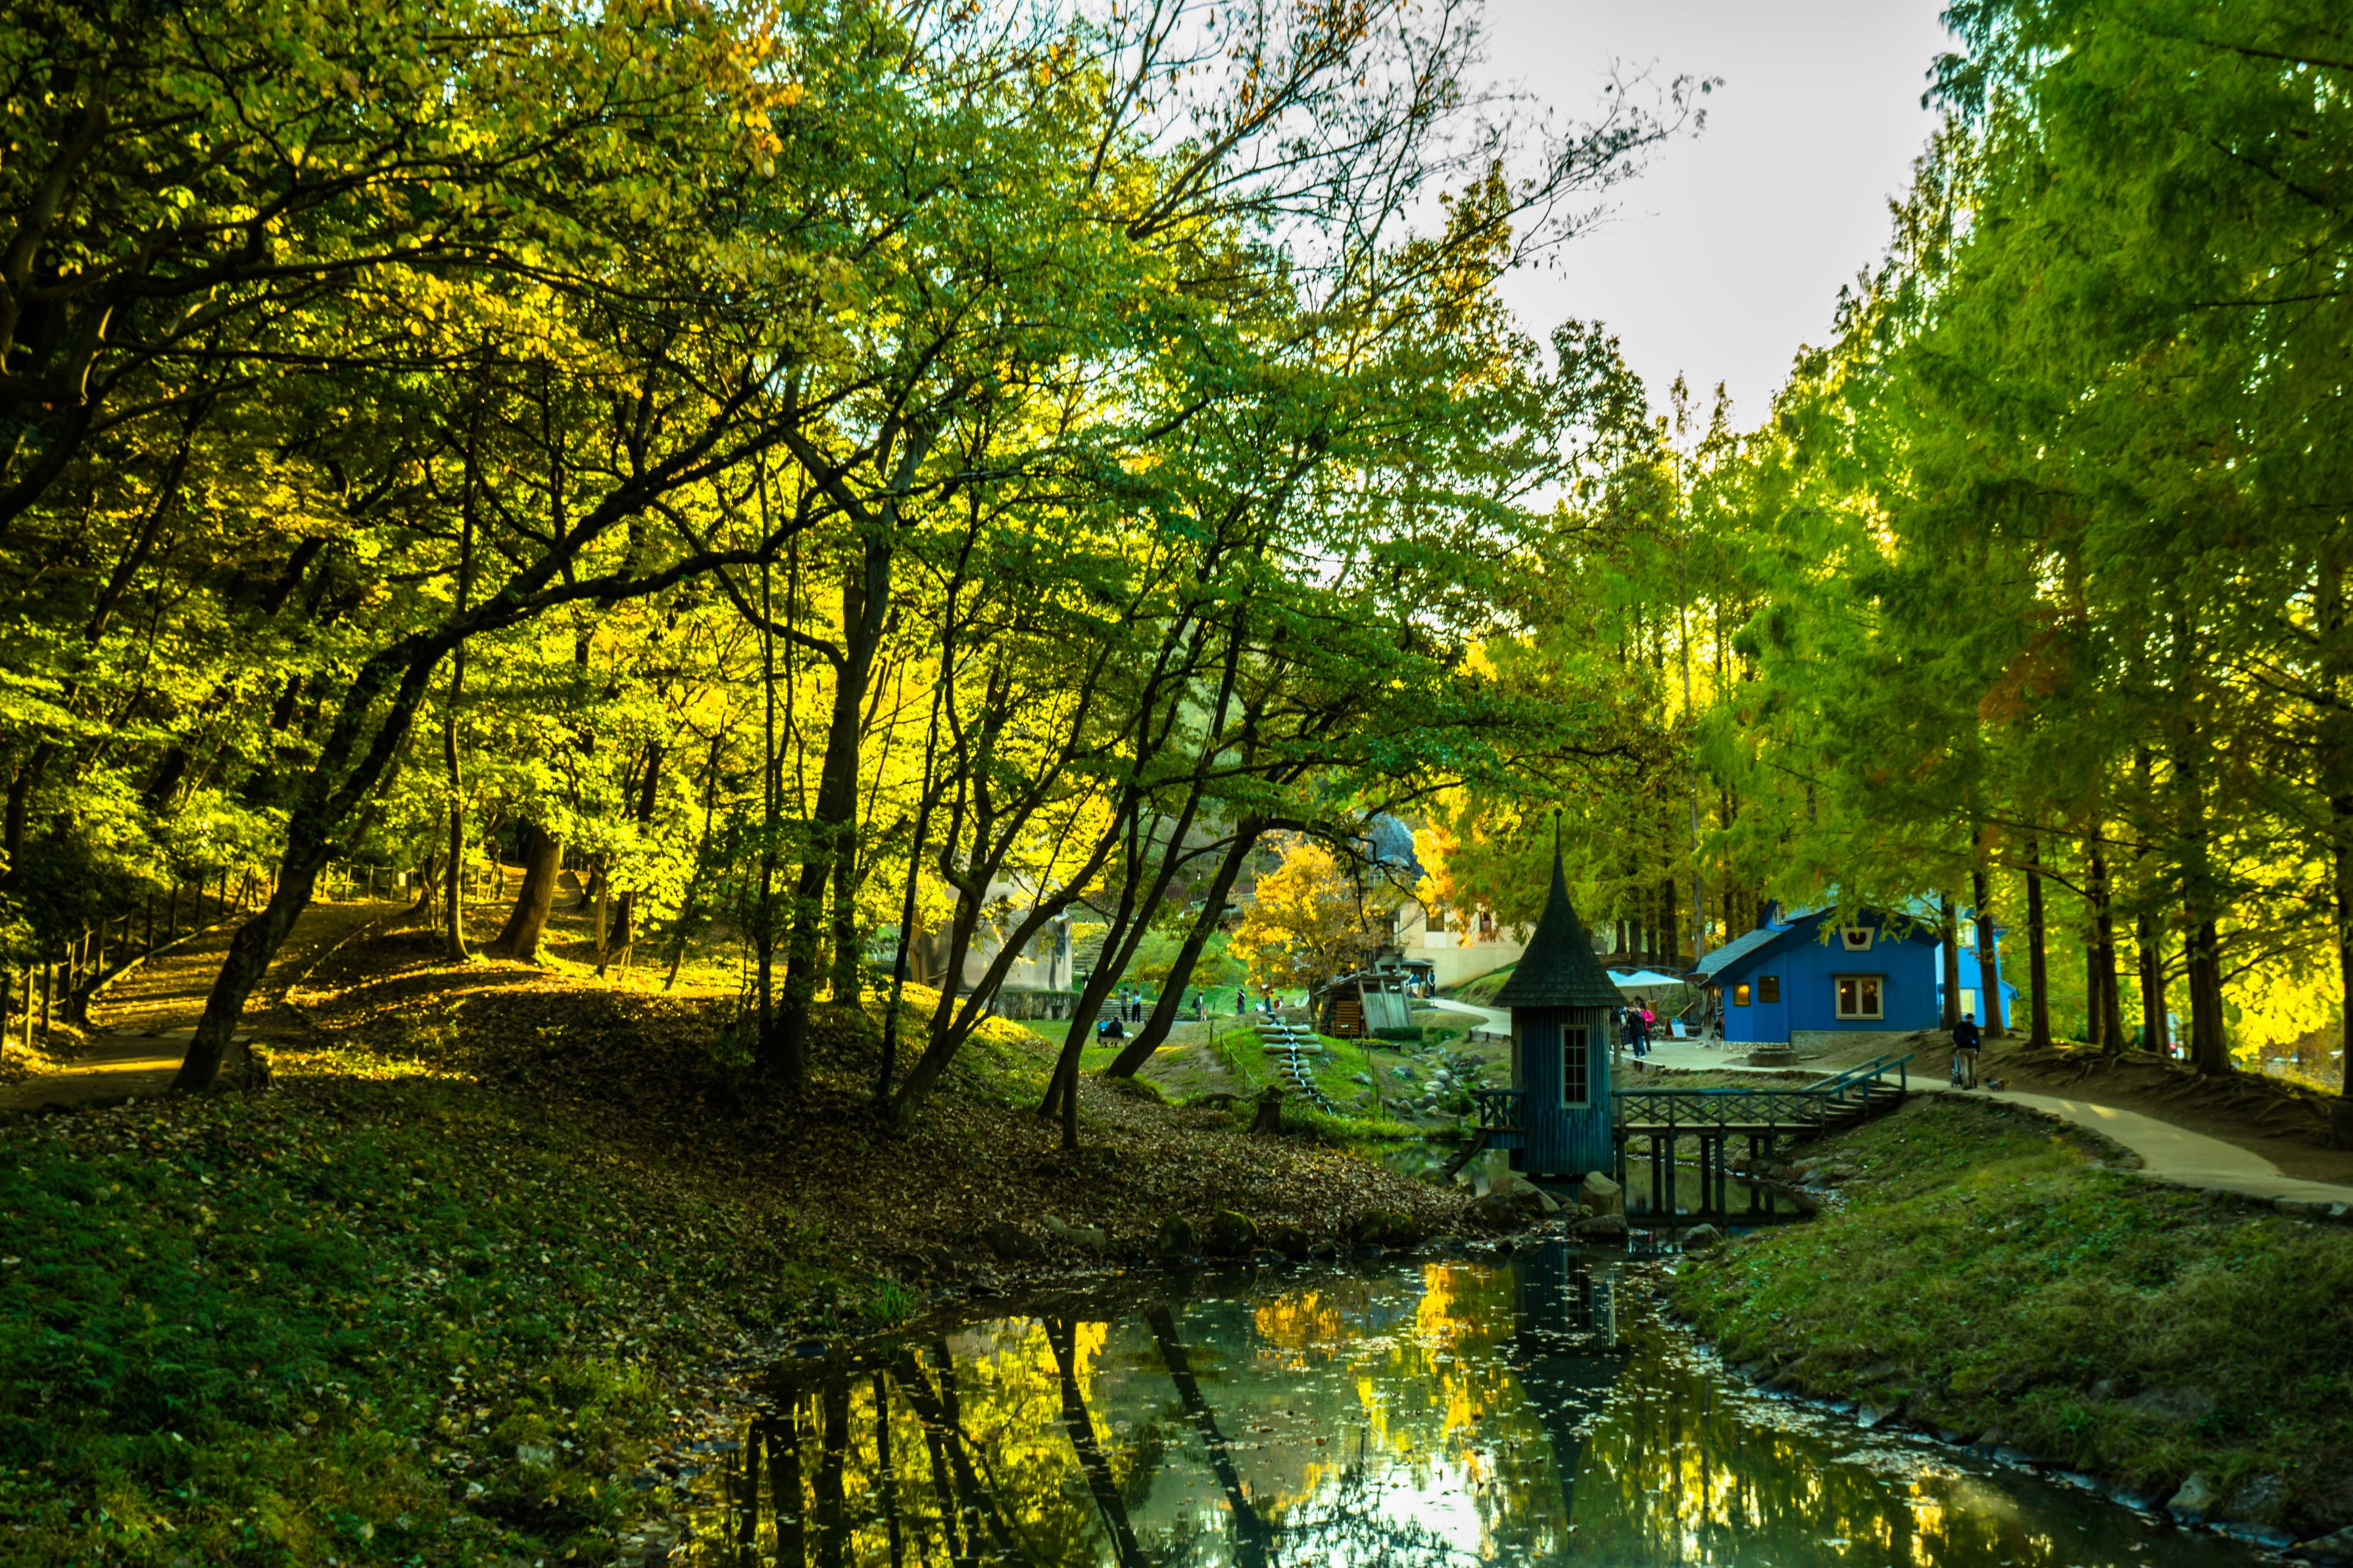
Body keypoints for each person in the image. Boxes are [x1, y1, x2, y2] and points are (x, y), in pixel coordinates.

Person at [1951, 1012, 1981, 1089]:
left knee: (1964, 1066)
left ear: (1966, 1018)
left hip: (1961, 1049)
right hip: (1972, 1049)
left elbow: (1954, 1037)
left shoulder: (1959, 1026)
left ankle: (1965, 1083)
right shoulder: (1974, 1027)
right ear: (1973, 1019)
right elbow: (1977, 1040)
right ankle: (1971, 1083)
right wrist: (1978, 1050)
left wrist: (1958, 1043)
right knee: (1971, 1067)